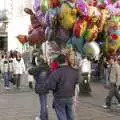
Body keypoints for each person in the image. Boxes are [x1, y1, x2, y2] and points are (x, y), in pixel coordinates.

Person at [46, 54, 79, 120]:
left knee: (62, 115)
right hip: (70, 96)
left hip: (59, 97)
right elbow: (77, 82)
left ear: (57, 62)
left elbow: (50, 86)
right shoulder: (74, 71)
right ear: (66, 61)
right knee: (70, 115)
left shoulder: (55, 73)